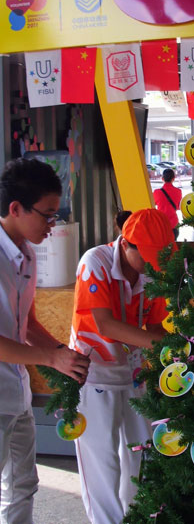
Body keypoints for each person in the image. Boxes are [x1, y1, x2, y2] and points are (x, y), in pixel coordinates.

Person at [69, 208, 175, 524]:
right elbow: (105, 324)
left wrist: (181, 344)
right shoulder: (95, 263)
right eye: (149, 258)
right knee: (102, 464)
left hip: (135, 374)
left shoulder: (153, 272)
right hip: (92, 373)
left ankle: (140, 517)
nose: (154, 268)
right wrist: (161, 345)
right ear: (126, 244)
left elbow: (156, 326)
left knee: (142, 454)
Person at [0, 157, 90, 524]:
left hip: (16, 392)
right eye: (47, 215)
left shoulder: (26, 254)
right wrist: (50, 360)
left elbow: (27, 321)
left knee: (23, 483)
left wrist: (58, 351)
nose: (53, 225)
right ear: (15, 208)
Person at [153, 168, 182, 239]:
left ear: (162, 178)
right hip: (174, 224)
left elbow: (154, 204)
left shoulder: (156, 192)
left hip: (161, 224)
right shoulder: (178, 191)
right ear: (173, 178)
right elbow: (179, 207)